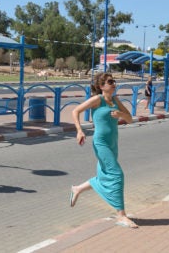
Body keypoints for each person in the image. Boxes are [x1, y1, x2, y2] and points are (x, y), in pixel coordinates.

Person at [70, 72, 138, 228]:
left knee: (104, 175)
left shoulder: (115, 100)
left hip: (113, 143)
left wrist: (121, 114)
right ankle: (121, 215)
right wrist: (79, 130)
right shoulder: (97, 100)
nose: (114, 84)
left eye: (114, 81)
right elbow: (76, 111)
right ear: (101, 86)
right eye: (110, 82)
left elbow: (129, 119)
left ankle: (77, 189)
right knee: (116, 174)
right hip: (101, 143)